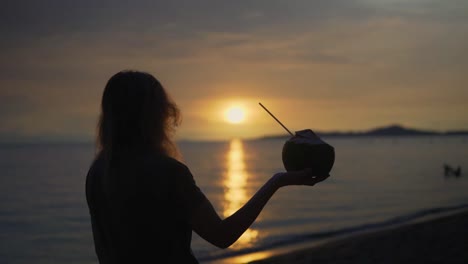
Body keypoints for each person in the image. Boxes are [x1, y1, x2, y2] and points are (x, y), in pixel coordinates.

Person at [85, 70, 329, 263]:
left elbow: (102, 248)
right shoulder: (169, 173)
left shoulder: (98, 173)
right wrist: (277, 182)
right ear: (154, 116)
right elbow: (222, 236)